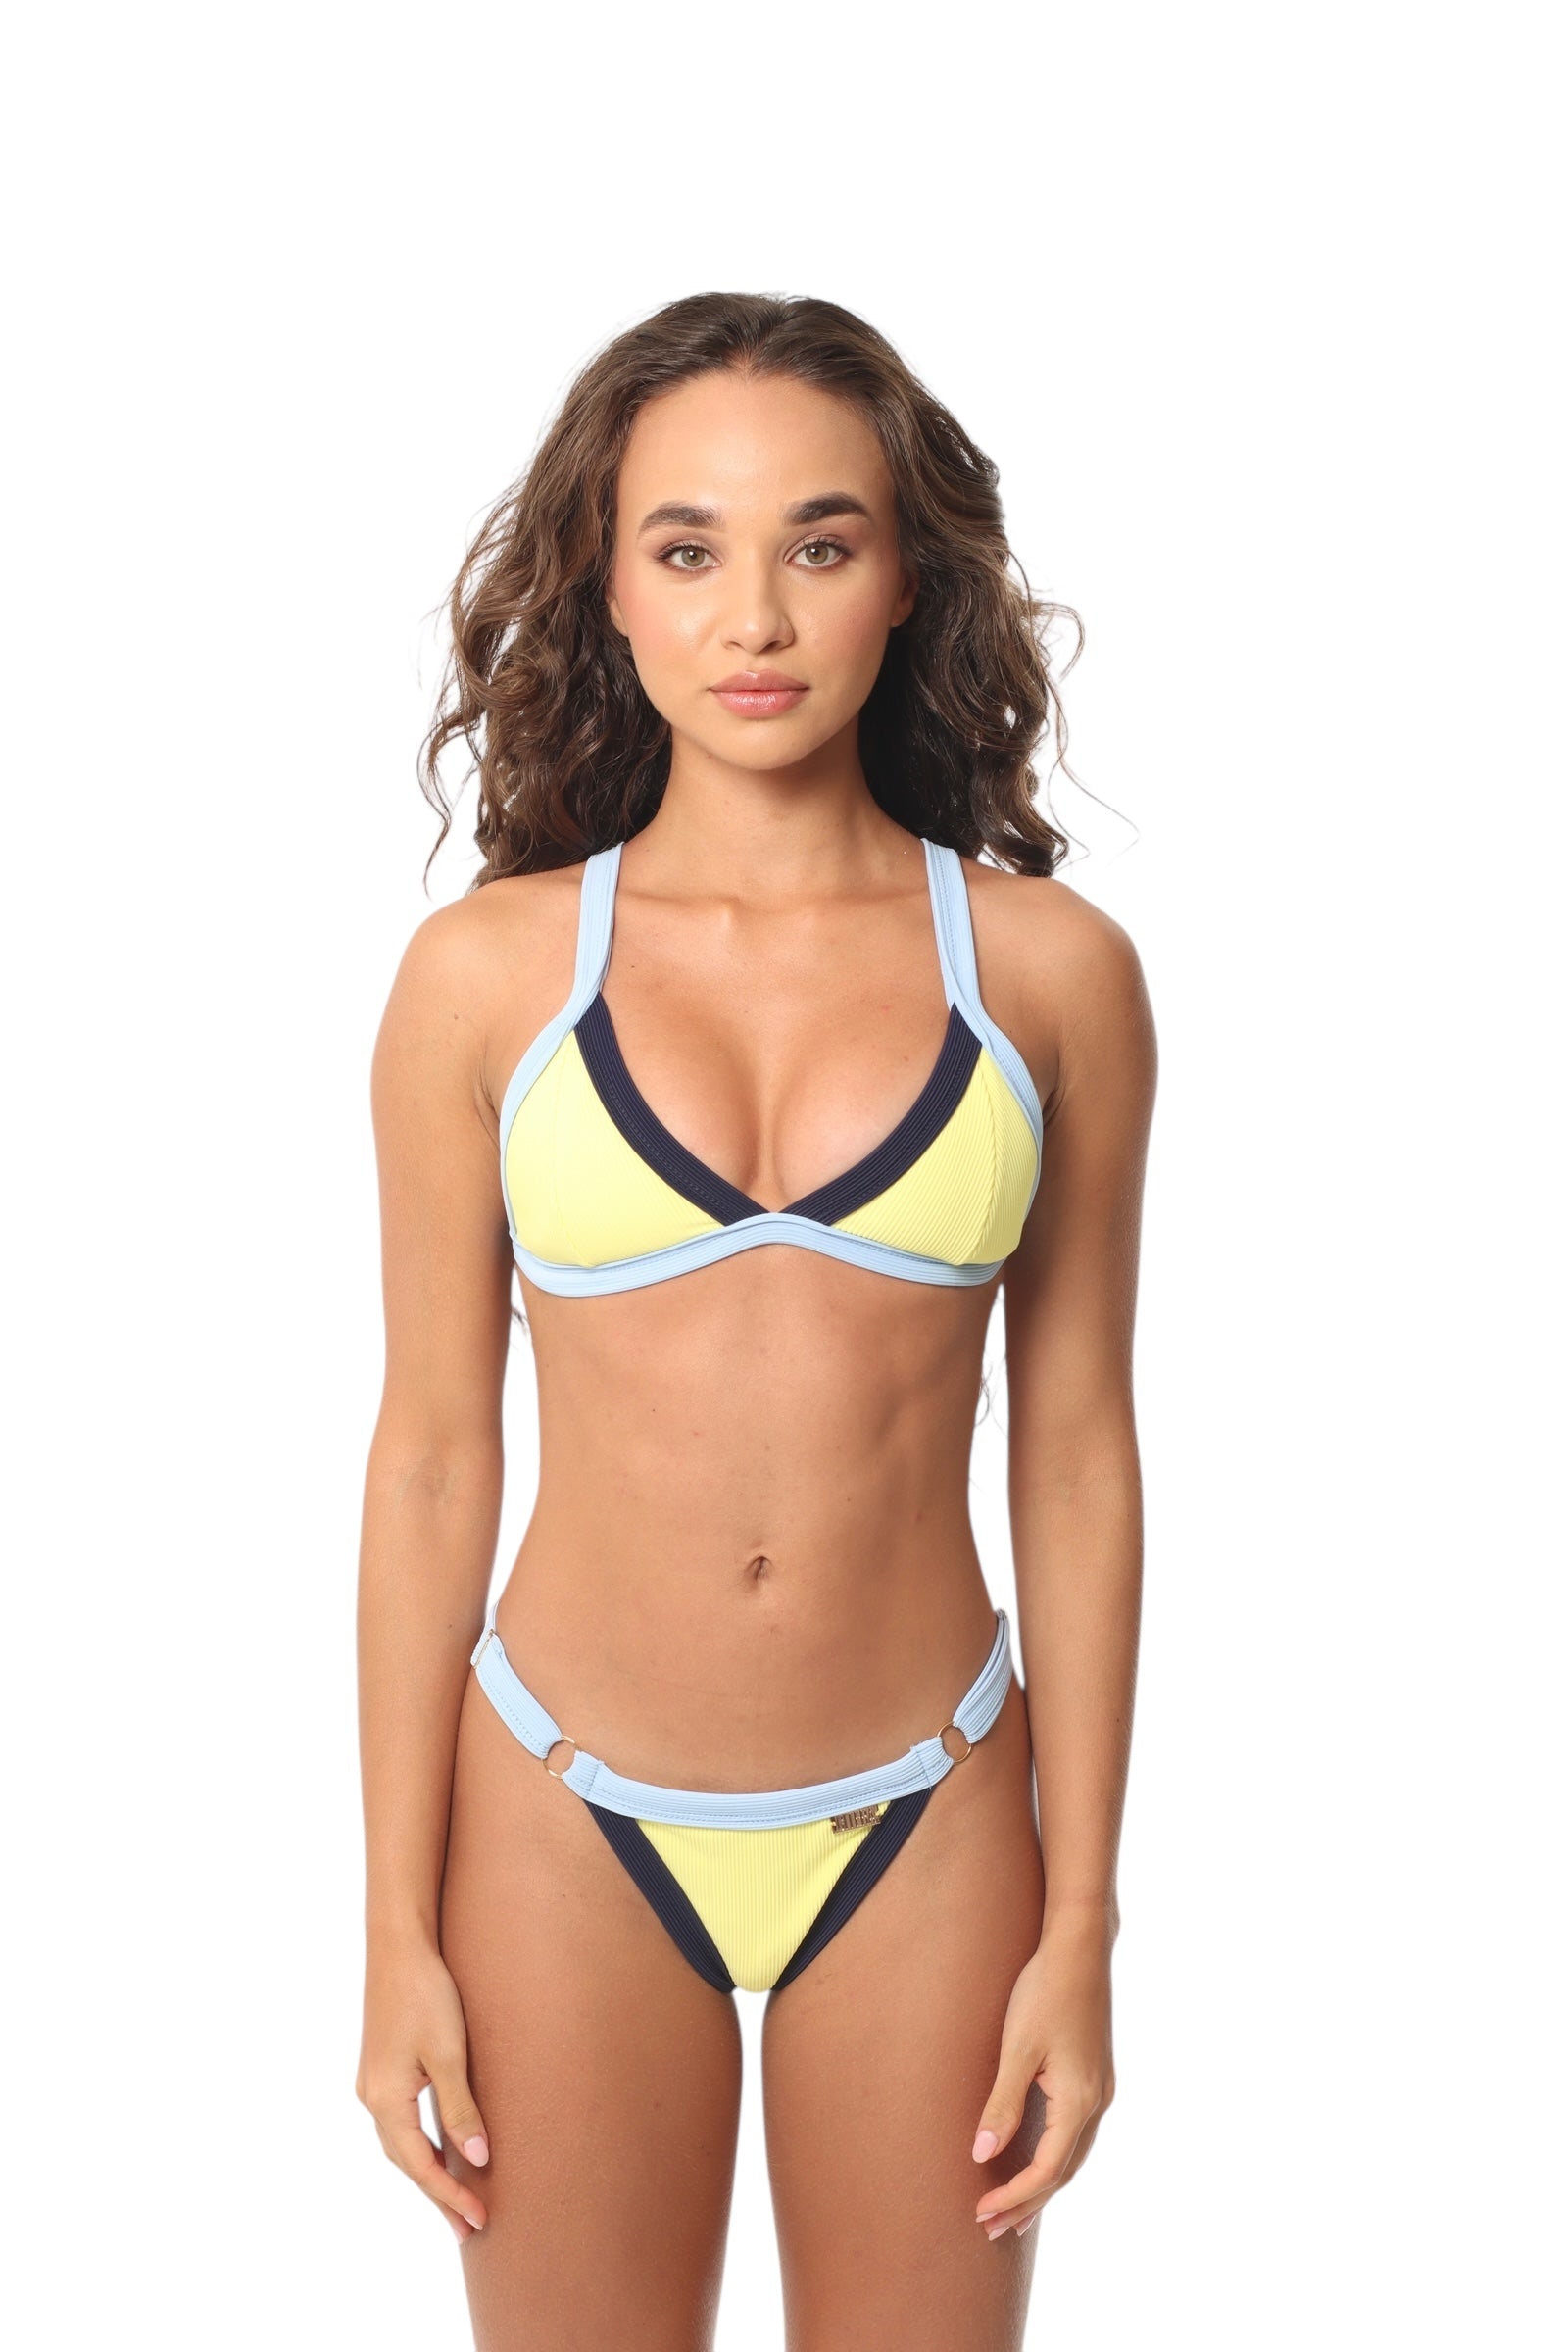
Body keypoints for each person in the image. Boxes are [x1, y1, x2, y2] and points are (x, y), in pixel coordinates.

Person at [355, 290, 1156, 2350]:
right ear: (607, 590)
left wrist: (1082, 1919)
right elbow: (431, 1454)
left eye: (819, 541)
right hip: (558, 1808)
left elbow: (1075, 1454)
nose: (757, 616)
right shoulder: (484, 979)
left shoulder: (1050, 975)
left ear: (908, 580)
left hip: (930, 1809)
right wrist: (391, 1926)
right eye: (688, 548)